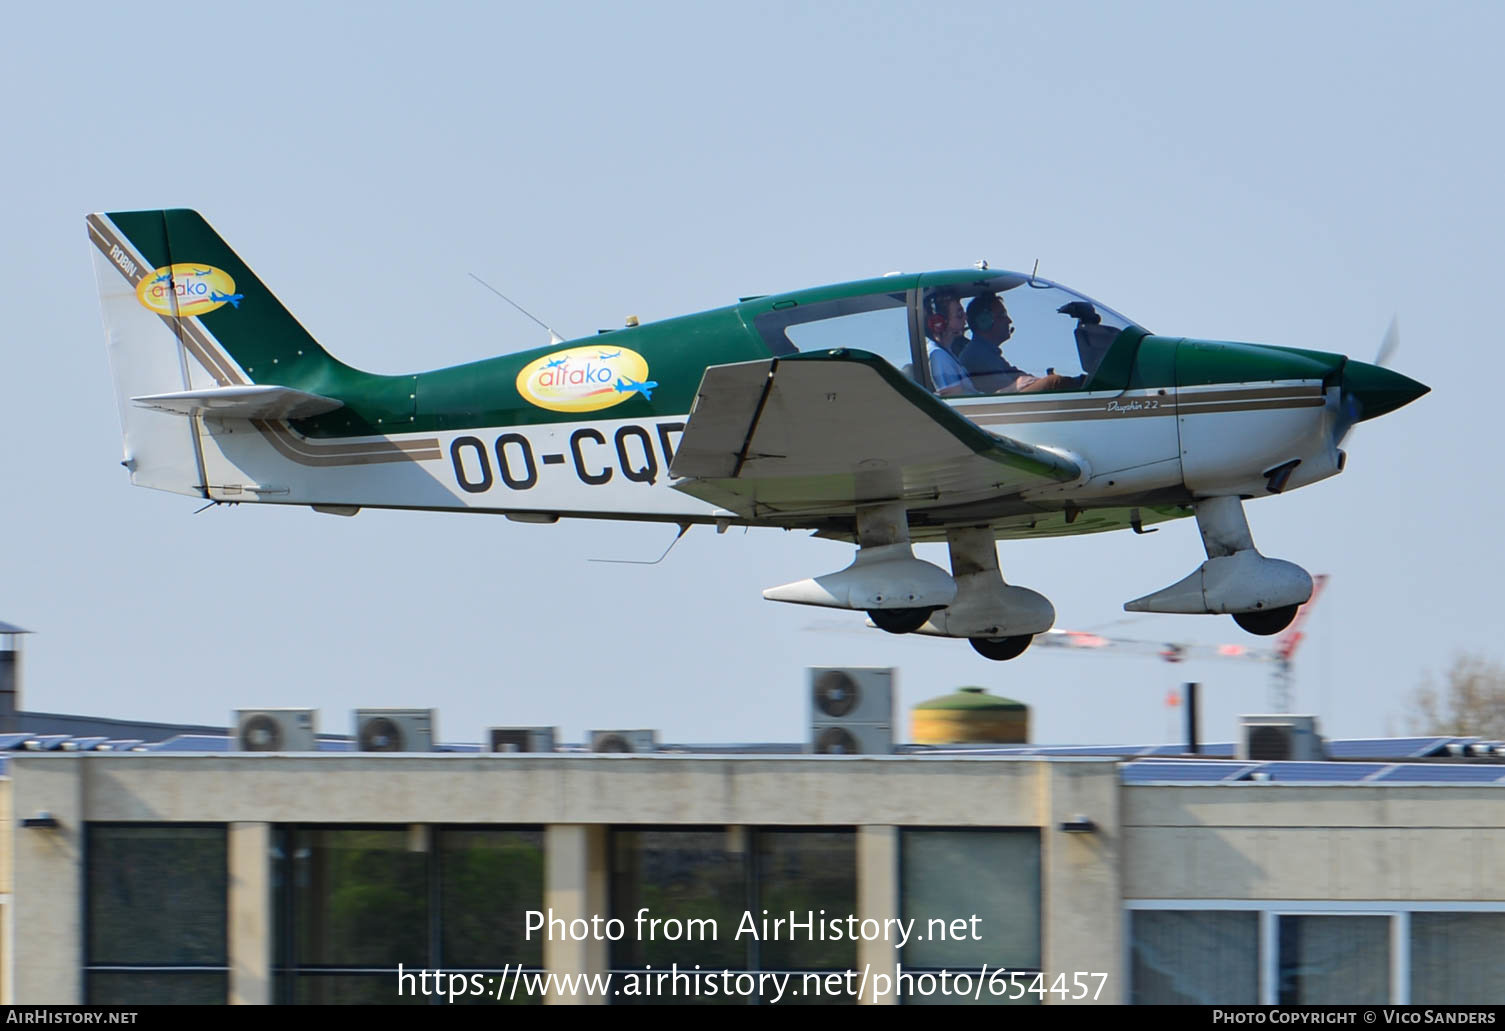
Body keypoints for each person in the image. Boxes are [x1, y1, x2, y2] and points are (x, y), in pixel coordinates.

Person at [961, 293, 1070, 394]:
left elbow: (1017, 375)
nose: (1009, 321)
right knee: (1053, 383)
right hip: (1001, 408)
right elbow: (1007, 389)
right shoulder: (977, 355)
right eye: (1002, 315)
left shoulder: (987, 353)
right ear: (984, 321)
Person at [924, 289, 977, 396]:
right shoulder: (938, 356)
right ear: (939, 322)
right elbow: (955, 400)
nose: (965, 318)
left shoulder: (946, 353)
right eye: (959, 314)